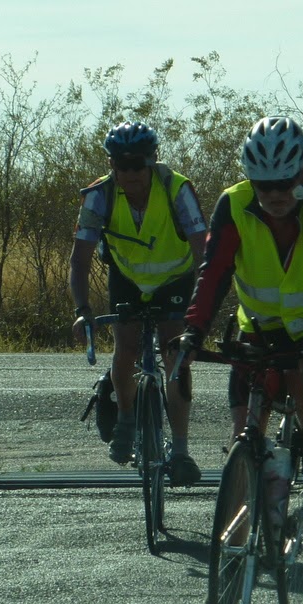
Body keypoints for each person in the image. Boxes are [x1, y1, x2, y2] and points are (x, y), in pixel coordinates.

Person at [180, 115, 303, 520]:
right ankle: (242, 533)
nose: (274, 193)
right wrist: (194, 329)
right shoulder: (233, 203)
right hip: (260, 325)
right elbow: (214, 272)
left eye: (284, 183)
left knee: (302, 377)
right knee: (245, 429)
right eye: (264, 184)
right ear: (250, 178)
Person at [70, 121, 208, 485]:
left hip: (175, 278)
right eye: (120, 165)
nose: (129, 173)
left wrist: (201, 309)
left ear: (152, 161)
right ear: (112, 165)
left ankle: (180, 451)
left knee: (175, 356)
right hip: (127, 279)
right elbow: (80, 258)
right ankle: (127, 417)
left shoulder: (177, 189)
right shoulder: (99, 195)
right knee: (126, 349)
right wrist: (82, 309)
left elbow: (201, 247)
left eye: (137, 164)